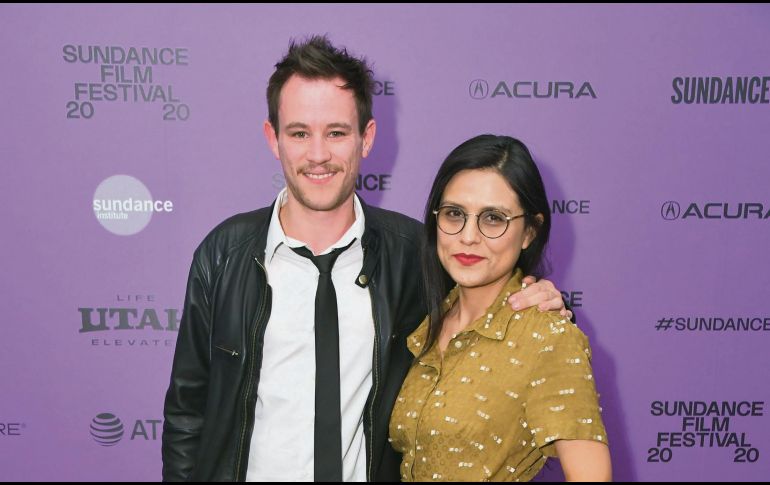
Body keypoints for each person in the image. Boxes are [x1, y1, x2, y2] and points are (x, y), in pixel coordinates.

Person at [162, 36, 570, 482]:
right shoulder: (224, 255)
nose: (318, 155)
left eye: (336, 132)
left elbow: (487, 311)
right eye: (299, 133)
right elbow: (187, 413)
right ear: (273, 139)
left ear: (367, 138)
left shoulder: (416, 255)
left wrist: (537, 295)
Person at [389, 134, 611, 482]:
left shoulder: (547, 337)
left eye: (493, 218)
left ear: (529, 233)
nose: (468, 236)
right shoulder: (426, 325)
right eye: (454, 214)